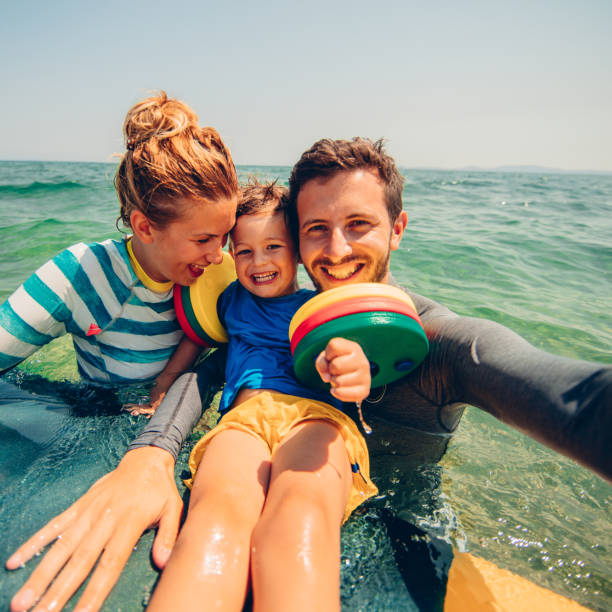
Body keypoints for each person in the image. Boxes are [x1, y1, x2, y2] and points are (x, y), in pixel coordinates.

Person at [7, 138, 611, 612]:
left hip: (395, 514)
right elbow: (217, 359)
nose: (337, 249)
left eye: (360, 225)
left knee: (298, 518)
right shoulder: (262, 309)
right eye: (316, 228)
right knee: (214, 517)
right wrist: (154, 448)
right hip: (247, 437)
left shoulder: (442, 343)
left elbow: (567, 394)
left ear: (398, 229)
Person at [2, 91, 240, 612]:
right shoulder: (82, 275)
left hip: (168, 427)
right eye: (204, 239)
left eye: (226, 235)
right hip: (99, 415)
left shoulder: (219, 279)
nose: (220, 255)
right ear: (144, 226)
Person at [147, 179, 377, 611]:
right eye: (245, 251)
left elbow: (357, 360)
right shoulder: (229, 300)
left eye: (273, 246)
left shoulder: (322, 307)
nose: (259, 262)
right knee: (217, 515)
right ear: (231, 255)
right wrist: (164, 384)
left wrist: (356, 373)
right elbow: (196, 340)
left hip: (315, 418)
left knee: (300, 513)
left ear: (296, 251)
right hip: (243, 421)